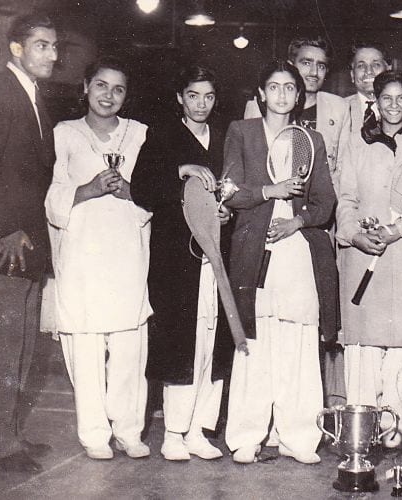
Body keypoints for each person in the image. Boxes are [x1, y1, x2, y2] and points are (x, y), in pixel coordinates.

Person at [222, 60, 338, 465]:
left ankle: (298, 437)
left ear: (298, 94)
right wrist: (271, 190)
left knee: (297, 343)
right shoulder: (242, 131)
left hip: (297, 249)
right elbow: (231, 192)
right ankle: (246, 436)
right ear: (261, 93)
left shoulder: (312, 139)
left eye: (289, 87)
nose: (282, 94)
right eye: (274, 87)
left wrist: (297, 222)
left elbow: (325, 202)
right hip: (253, 249)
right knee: (253, 343)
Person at [45, 56, 151, 461]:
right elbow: (51, 193)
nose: (109, 95)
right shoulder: (63, 134)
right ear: (86, 87)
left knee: (128, 347)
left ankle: (129, 430)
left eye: (118, 88)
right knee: (86, 347)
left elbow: (155, 192)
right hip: (82, 254)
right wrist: (86, 190)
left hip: (126, 250)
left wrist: (130, 192)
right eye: (101, 85)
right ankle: (94, 433)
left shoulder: (139, 134)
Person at [131, 65, 232, 461]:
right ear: (180, 97)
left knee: (213, 341)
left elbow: (232, 193)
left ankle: (199, 431)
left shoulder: (224, 138)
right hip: (177, 259)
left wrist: (226, 213)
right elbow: (142, 189)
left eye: (208, 96)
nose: (201, 104)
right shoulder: (163, 135)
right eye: (193, 95)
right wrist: (181, 170)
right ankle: (173, 433)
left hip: (216, 256)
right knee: (181, 343)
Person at [0, 12, 58, 473]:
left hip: (28, 242)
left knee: (22, 344)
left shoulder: (33, 95)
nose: (53, 54)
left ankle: (4, 431)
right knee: (2, 347)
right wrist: (4, 228)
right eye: (43, 45)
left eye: (54, 45)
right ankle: (1, 443)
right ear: (17, 49)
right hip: (3, 244)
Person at [336, 70, 402, 447]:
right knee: (363, 349)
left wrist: (400, 229)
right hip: (361, 257)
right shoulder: (355, 142)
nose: (393, 105)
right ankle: (361, 433)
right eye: (386, 98)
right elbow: (346, 200)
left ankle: (394, 429)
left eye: (401, 98)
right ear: (375, 102)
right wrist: (355, 236)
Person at [244, 36, 351, 197]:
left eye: (321, 66)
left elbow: (342, 168)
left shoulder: (339, 107)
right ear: (291, 66)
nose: (314, 72)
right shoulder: (258, 107)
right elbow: (250, 167)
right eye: (306, 63)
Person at [345, 41, 402, 137]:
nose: (368, 71)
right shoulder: (340, 109)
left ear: (388, 70)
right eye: (361, 66)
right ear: (352, 75)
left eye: (376, 64)